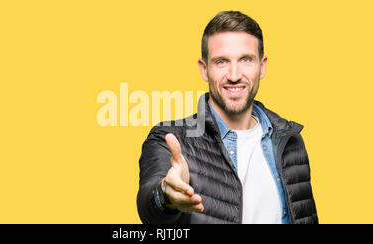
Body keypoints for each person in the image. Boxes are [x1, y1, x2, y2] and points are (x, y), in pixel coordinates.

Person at [136, 11, 318, 224]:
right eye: (221, 62)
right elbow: (149, 205)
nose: (234, 75)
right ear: (204, 69)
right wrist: (165, 195)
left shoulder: (290, 140)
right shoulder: (170, 139)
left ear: (262, 66)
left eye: (246, 60)